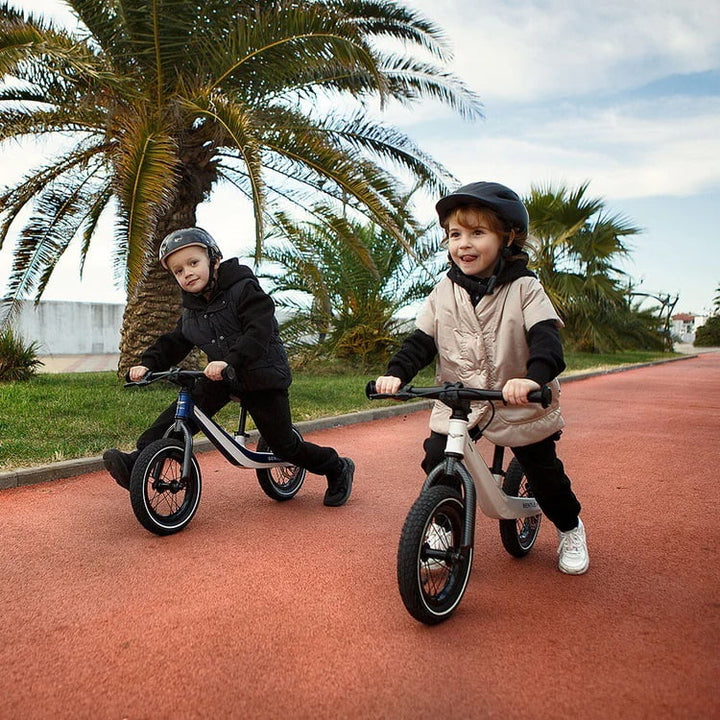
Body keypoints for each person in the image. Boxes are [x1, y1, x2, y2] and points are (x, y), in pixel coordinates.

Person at [375, 181, 589, 574]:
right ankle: (441, 522)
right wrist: (395, 374)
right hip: (462, 400)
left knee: (545, 477)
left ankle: (569, 526)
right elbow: (420, 343)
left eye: (478, 233)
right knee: (437, 458)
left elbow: (547, 343)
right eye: (456, 235)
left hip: (519, 402)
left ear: (507, 237)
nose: (464, 244)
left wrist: (533, 379)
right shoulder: (444, 291)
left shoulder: (526, 288)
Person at [103, 227, 354, 507]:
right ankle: (138, 463)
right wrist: (146, 364)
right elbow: (174, 342)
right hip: (223, 378)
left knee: (285, 446)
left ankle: (336, 466)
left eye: (193, 263)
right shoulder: (192, 313)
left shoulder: (244, 289)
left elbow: (258, 331)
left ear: (214, 260)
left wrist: (230, 361)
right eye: (178, 271)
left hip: (262, 377)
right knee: (178, 416)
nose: (186, 272)